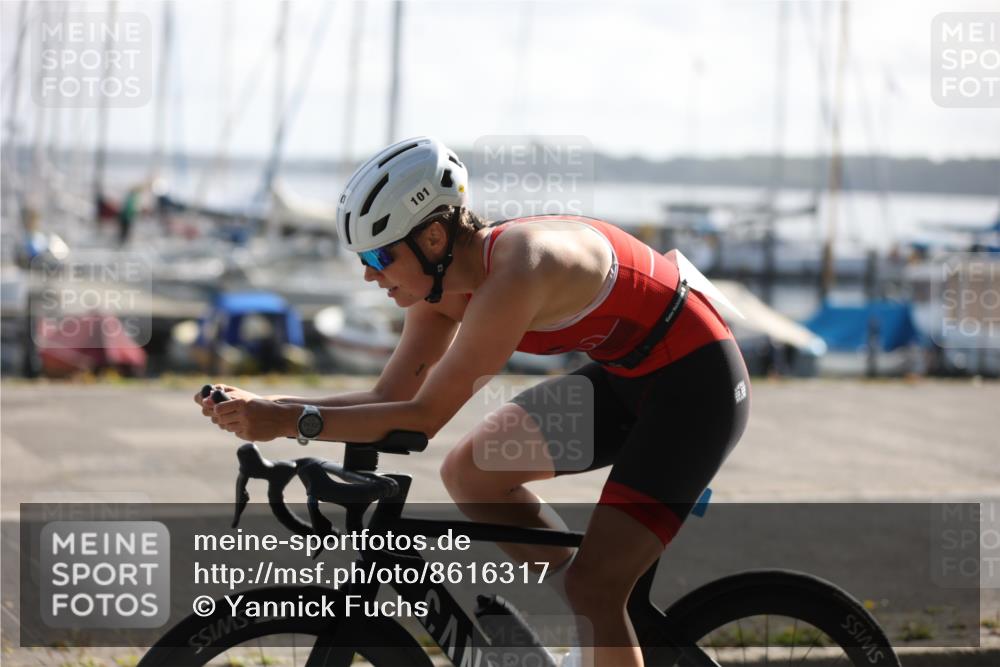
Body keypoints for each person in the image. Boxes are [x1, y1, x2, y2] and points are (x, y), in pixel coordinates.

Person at [196, 136, 750, 667]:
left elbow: (424, 417)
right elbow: (388, 397)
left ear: (432, 239)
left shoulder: (519, 268)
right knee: (473, 473)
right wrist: (269, 406)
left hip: (696, 388)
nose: (368, 273)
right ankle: (593, 631)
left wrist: (289, 422)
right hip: (628, 374)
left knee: (595, 586)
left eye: (378, 254)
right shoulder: (436, 291)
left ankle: (596, 606)